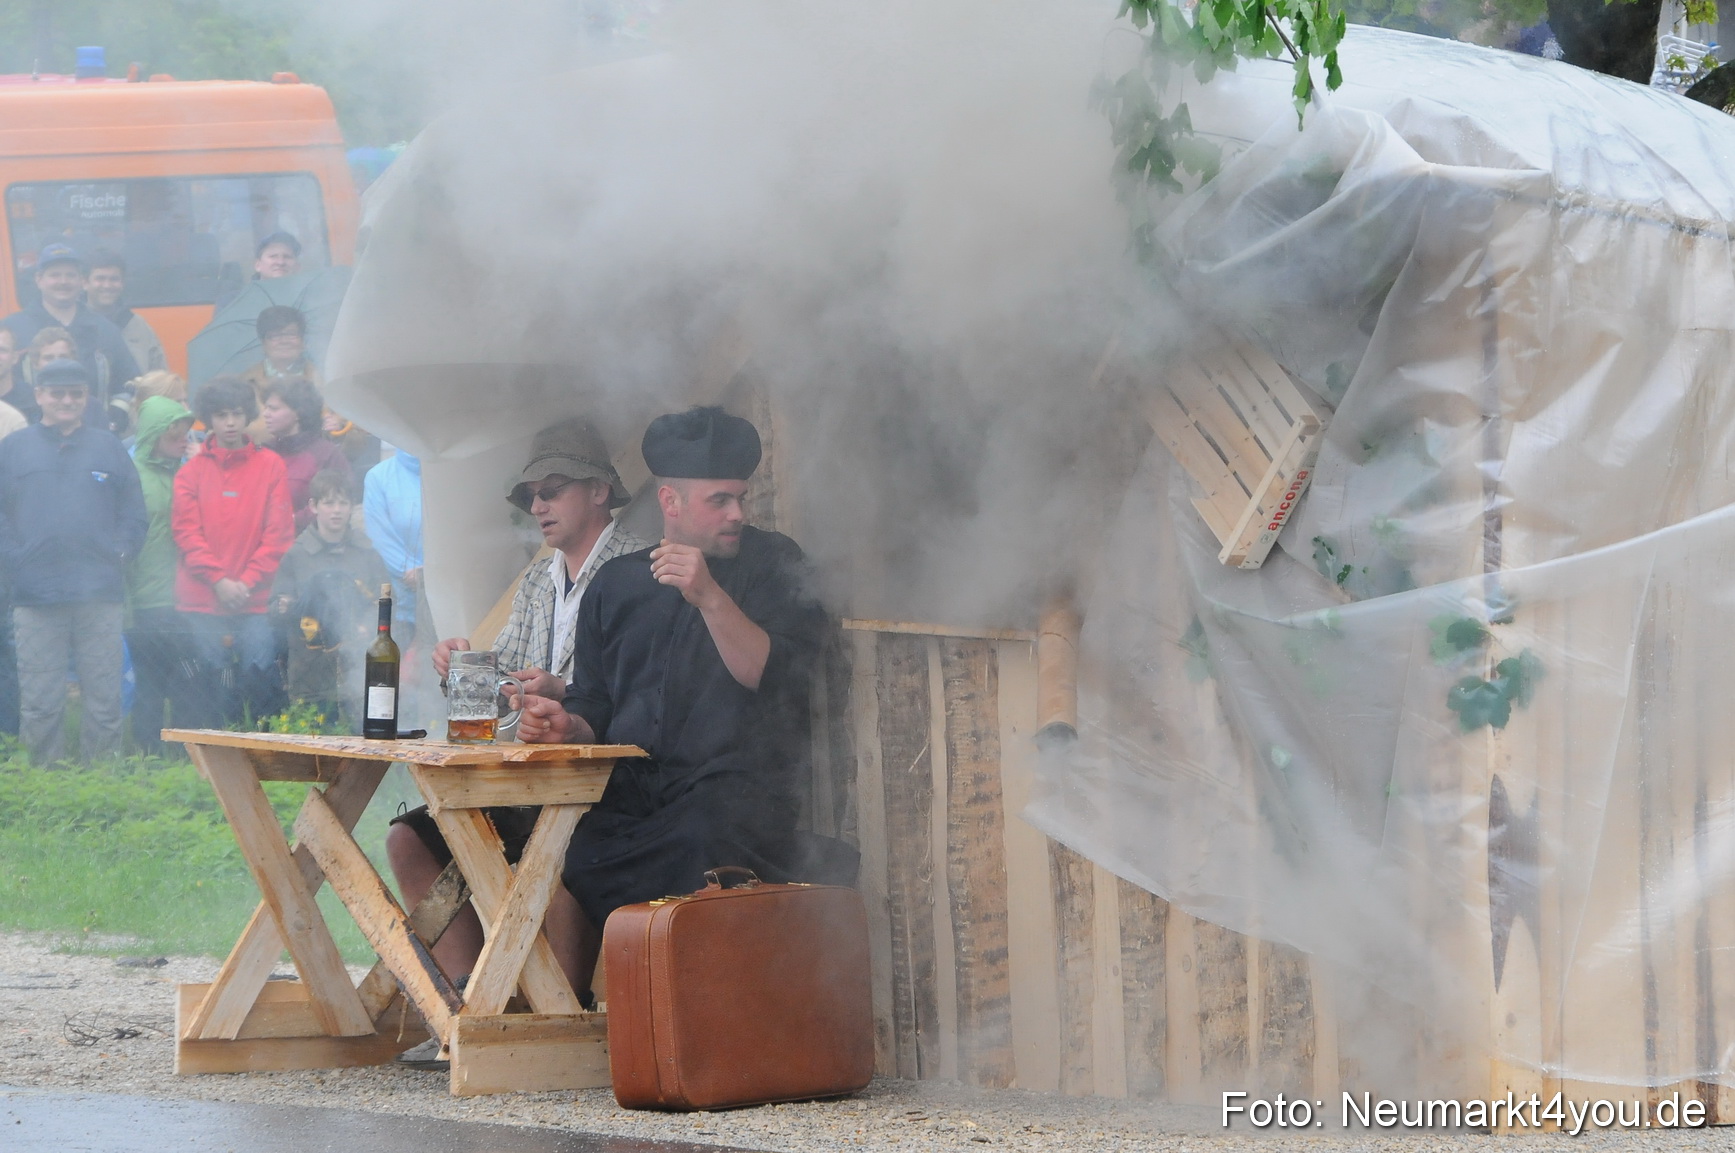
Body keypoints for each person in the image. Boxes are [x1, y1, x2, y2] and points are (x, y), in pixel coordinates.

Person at [518, 406, 828, 1002]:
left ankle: (703, 1019)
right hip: (638, 789)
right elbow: (594, 706)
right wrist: (566, 724)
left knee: (705, 836)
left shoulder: (776, 564)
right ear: (671, 501)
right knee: (568, 842)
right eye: (720, 500)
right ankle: (568, 1019)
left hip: (734, 789)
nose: (737, 513)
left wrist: (708, 594)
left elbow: (775, 674)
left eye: (741, 498)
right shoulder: (618, 584)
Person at [388, 419, 648, 1004]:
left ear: (600, 490)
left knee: (555, 857)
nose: (537, 505)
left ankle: (553, 1014)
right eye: (532, 495)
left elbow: (641, 694)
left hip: (605, 786)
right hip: (530, 779)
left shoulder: (640, 570)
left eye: (551, 490)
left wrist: (566, 694)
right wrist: (461, 664)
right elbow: (503, 678)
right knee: (411, 841)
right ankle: (475, 1003)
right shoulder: (540, 576)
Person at [0, 360, 148, 762]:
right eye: (57, 392)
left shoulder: (108, 447)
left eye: (76, 393)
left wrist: (120, 552)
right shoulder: (13, 448)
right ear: (39, 396)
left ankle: (101, 777)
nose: (67, 400)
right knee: (40, 701)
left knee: (104, 699)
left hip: (99, 594)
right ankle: (45, 783)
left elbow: (134, 513)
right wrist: (15, 560)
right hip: (34, 596)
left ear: (87, 397)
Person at [172, 376, 295, 727]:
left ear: (248, 417)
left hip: (256, 598)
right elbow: (185, 533)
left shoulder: (271, 465)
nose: (230, 423)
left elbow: (279, 534)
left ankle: (264, 747)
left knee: (259, 668)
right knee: (210, 675)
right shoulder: (190, 473)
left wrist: (246, 582)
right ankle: (213, 747)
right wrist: (219, 581)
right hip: (203, 598)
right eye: (221, 414)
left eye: (237, 414)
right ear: (208, 418)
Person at [270, 469, 391, 725]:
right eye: (329, 503)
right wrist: (284, 607)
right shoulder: (297, 555)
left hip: (359, 671)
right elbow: (276, 609)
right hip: (311, 673)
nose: (336, 510)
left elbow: (387, 603)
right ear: (314, 506)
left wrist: (364, 622)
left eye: (343, 503)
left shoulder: (367, 554)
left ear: (351, 507)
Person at [127, 394, 194, 754]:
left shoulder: (187, 472)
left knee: (185, 679)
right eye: (175, 434)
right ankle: (148, 753)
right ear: (154, 434)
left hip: (185, 597)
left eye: (186, 433)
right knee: (149, 683)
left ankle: (185, 754)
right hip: (146, 598)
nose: (183, 440)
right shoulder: (131, 475)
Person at [0, 243, 140, 414]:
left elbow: (130, 383)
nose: (63, 282)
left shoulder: (105, 329)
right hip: (28, 432)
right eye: (55, 275)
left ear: (81, 281)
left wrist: (117, 415)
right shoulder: (12, 329)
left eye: (70, 275)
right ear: (39, 279)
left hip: (93, 433)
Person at [261, 376, 351, 530]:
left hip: (309, 544)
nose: (265, 414)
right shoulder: (263, 451)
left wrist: (293, 520)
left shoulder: (326, 454)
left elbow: (340, 499)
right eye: (266, 407)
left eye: (274, 409)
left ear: (298, 413)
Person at [363, 449, 424, 646]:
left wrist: (431, 573)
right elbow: (380, 536)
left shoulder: (449, 472)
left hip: (447, 595)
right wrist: (413, 573)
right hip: (401, 601)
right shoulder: (378, 476)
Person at [241, 306, 322, 445]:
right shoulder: (243, 385)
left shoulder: (323, 381)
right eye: (275, 336)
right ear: (263, 343)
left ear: (303, 341)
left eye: (291, 334)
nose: (284, 341)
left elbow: (353, 440)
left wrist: (339, 428)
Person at [85, 251, 168, 377]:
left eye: (114, 279)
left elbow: (161, 376)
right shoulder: (74, 322)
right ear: (85, 283)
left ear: (122, 283)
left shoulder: (139, 326)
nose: (107, 285)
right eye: (100, 279)